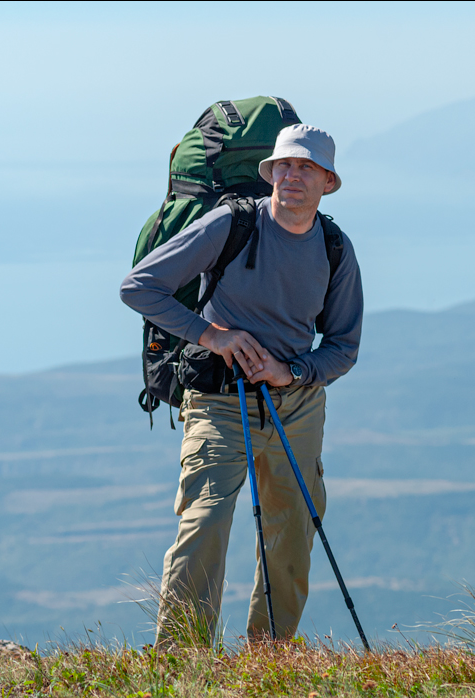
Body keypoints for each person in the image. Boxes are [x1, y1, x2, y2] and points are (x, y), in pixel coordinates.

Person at [119, 124, 363, 643]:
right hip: (218, 400)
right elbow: (139, 286)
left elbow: (343, 345)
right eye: (285, 166)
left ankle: (268, 660)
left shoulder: (335, 248)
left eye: (307, 168)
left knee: (292, 535)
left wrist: (292, 371)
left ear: (327, 183)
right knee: (204, 523)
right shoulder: (231, 225)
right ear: (270, 173)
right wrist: (211, 335)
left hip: (297, 406)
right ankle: (181, 660)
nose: (292, 176)